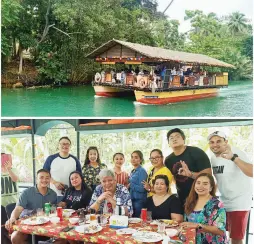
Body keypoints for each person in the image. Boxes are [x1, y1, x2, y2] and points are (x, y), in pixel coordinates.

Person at [208, 131, 253, 244]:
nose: (215, 144)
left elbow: (252, 172)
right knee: (221, 235)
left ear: (226, 142)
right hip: (223, 203)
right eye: (212, 142)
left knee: (236, 238)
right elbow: (220, 180)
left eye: (219, 141)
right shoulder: (213, 158)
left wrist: (233, 158)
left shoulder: (237, 152)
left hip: (239, 203)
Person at [5, 169, 66, 244]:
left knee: (63, 238)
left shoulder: (53, 194)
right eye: (41, 177)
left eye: (47, 178)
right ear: (36, 179)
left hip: (47, 226)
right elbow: (18, 209)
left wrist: (58, 205)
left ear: (50, 179)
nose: (44, 180)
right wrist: (12, 218)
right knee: (15, 237)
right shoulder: (26, 193)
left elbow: (52, 209)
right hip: (29, 225)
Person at [165, 128, 212, 206]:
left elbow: (208, 175)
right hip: (182, 199)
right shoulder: (168, 160)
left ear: (183, 139)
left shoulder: (196, 152)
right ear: (168, 143)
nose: (174, 139)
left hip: (200, 198)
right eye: (171, 138)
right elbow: (172, 179)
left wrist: (191, 174)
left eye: (177, 136)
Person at [181, 173, 228, 244]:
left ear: (211, 188)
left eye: (205, 184)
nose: (200, 186)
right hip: (192, 240)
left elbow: (220, 231)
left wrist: (198, 226)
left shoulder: (217, 205)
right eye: (198, 183)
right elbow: (187, 223)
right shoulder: (190, 201)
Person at [43, 137, 82, 203]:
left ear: (70, 146)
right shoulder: (51, 159)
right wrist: (55, 183)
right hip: (53, 194)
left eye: (67, 144)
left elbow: (80, 177)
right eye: (63, 144)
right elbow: (44, 175)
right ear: (59, 145)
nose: (65, 146)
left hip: (71, 194)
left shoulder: (75, 160)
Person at [1, 153, 19, 244]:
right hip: (2, 203)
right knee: (3, 227)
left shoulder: (14, 169)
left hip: (14, 203)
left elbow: (15, 179)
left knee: (14, 225)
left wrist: (8, 169)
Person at [129, 150, 148, 217]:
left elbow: (143, 189)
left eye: (136, 157)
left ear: (140, 160)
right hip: (132, 200)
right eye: (132, 157)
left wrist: (131, 185)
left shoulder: (142, 171)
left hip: (139, 201)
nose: (133, 159)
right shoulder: (132, 171)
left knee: (138, 222)